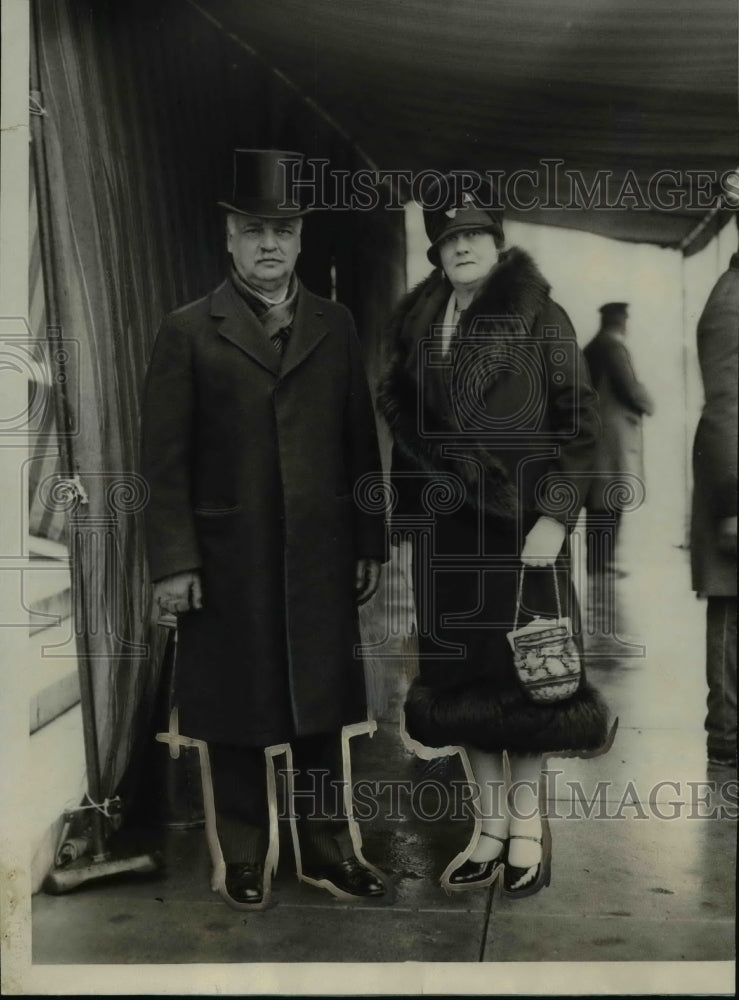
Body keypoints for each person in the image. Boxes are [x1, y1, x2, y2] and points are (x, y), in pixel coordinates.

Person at [141, 149, 388, 909]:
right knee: (234, 711)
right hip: (227, 557)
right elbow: (164, 461)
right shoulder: (187, 331)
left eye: (282, 229)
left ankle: (328, 851)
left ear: (302, 237)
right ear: (228, 239)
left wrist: (368, 540)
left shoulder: (336, 325)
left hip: (319, 553)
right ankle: (243, 853)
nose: (269, 245)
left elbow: (358, 441)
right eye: (253, 231)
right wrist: (174, 563)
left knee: (319, 709)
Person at [378, 175, 612, 898]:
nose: (462, 247)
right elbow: (410, 439)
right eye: (449, 238)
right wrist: (407, 523)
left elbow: (580, 427)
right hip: (447, 541)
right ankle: (485, 829)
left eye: (473, 234)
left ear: (496, 241)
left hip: (523, 535)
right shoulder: (418, 321)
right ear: (435, 250)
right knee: (463, 689)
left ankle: (525, 830)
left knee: (530, 683)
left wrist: (554, 517)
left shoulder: (543, 318)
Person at [690, 224, 738, 769]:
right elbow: (728, 408)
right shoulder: (731, 302)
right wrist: (732, 500)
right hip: (733, 479)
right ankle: (725, 736)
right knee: (730, 606)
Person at [583, 303, 655, 576]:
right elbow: (631, 389)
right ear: (619, 320)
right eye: (625, 319)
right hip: (611, 439)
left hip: (597, 434)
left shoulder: (593, 346)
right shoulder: (613, 347)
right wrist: (649, 403)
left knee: (600, 501)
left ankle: (597, 562)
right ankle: (600, 565)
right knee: (609, 501)